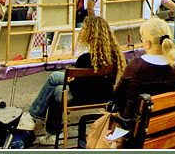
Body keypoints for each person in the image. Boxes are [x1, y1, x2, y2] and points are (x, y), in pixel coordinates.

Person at [18, 16, 127, 145]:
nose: (81, 32)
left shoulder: (85, 59)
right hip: (103, 95)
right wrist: (73, 80)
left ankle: (38, 120)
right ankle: (42, 125)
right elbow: (95, 82)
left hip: (83, 96)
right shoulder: (113, 57)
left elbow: (79, 89)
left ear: (90, 34)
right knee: (55, 83)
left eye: (84, 29)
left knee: (56, 89)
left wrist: (71, 81)